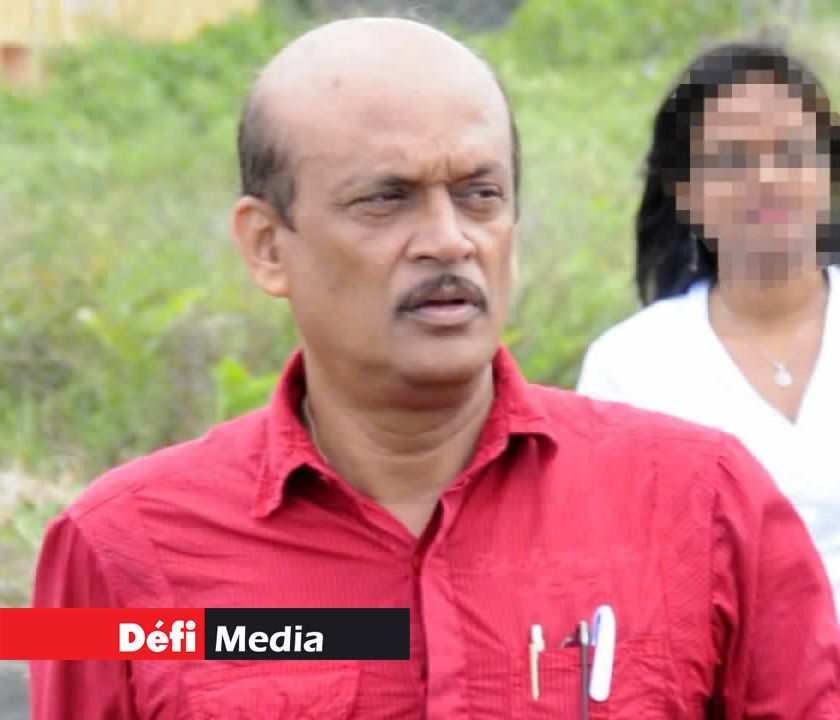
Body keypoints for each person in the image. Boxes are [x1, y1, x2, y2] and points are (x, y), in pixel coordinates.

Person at [31, 22, 839, 719]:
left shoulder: (708, 503)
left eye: (480, 194)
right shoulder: (111, 553)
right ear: (268, 246)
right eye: (385, 199)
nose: (449, 240)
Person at [576, 43, 840, 609]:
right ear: (686, 193)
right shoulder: (629, 367)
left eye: (792, 152)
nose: (768, 179)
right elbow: (614, 577)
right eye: (733, 160)